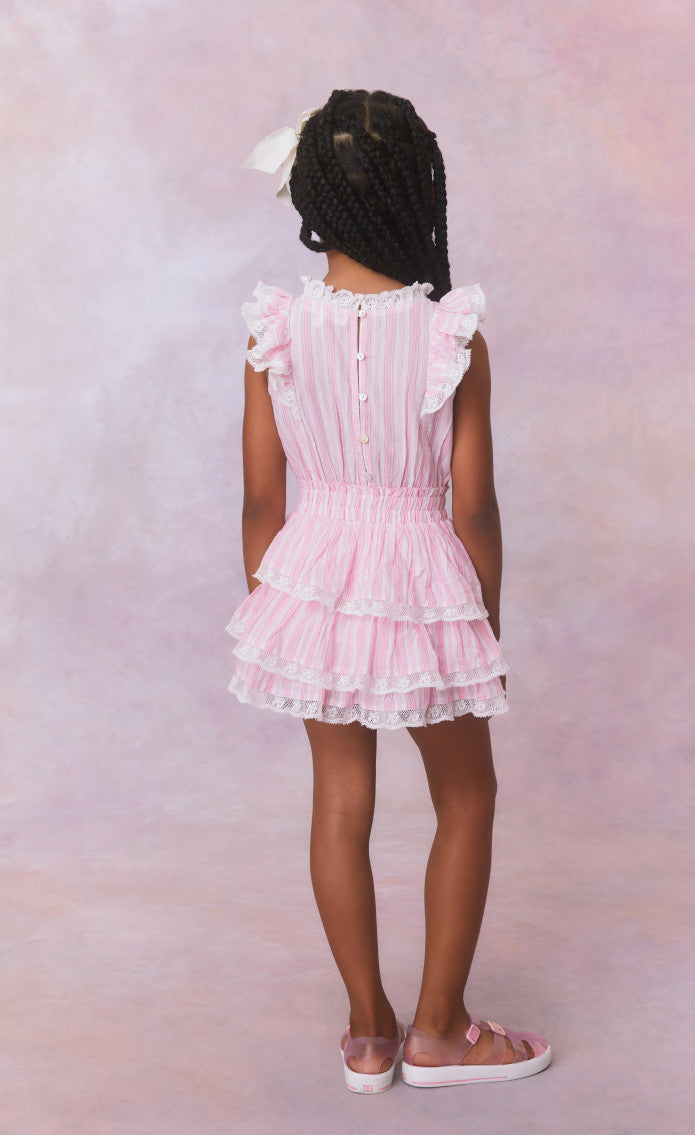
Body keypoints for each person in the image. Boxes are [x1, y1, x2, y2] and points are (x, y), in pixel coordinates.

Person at [226, 88, 551, 1093]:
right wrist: (480, 624)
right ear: (417, 193)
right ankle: (441, 1030)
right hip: (422, 579)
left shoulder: (277, 329)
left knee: (339, 798)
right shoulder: (451, 334)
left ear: (311, 197)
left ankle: (367, 1032)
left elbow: (261, 496)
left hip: (311, 574)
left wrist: (277, 607)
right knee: (467, 792)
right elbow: (473, 505)